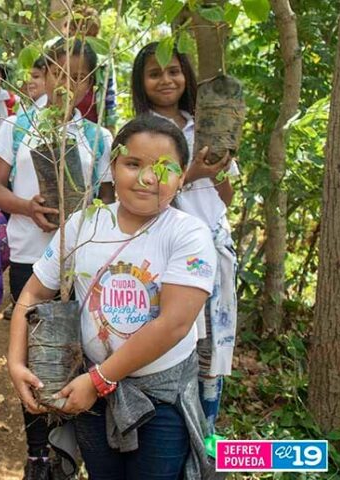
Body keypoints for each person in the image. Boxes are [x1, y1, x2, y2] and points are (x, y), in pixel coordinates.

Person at [9, 115, 218, 479]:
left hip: (160, 397)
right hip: (90, 393)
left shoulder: (188, 235)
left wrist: (99, 379)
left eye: (164, 168)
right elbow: (33, 291)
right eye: (133, 164)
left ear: (183, 177)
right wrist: (15, 360)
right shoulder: (84, 224)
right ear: (112, 165)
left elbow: (174, 324)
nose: (147, 178)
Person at [0, 38, 112, 479]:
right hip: (29, 256)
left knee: (84, 352)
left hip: (83, 263)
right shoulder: (18, 125)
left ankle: (81, 447)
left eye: (78, 76)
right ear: (46, 72)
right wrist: (29, 208)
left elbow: (107, 204)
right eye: (59, 73)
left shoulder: (99, 138)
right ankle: (40, 453)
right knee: (40, 354)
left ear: (91, 84)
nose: (67, 84)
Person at [131, 41, 239, 433]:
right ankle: (162, 437)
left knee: (207, 360)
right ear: (141, 82)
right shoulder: (136, 133)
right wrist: (192, 172)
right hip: (159, 253)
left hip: (209, 253)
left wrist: (219, 169)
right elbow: (137, 195)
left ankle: (201, 442)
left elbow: (226, 196)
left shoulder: (207, 124)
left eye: (174, 71)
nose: (166, 79)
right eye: (155, 72)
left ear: (186, 76)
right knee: (166, 347)